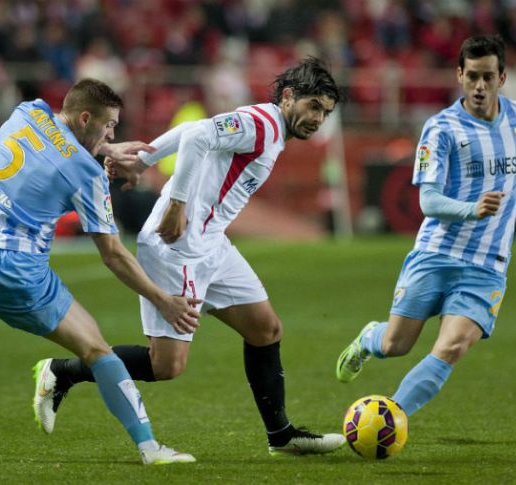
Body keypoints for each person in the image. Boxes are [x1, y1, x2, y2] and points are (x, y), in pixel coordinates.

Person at [34, 57, 347, 455]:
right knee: (166, 366)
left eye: (325, 112)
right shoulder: (263, 125)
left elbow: (193, 129)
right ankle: (61, 372)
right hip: (176, 248)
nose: (318, 119)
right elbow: (198, 136)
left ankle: (281, 435)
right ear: (288, 97)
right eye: (314, 107)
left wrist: (142, 162)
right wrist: (177, 204)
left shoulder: (267, 127)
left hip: (211, 245)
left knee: (265, 329)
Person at [0, 78, 202, 465]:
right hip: (18, 277)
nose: (113, 132)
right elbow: (114, 255)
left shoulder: (26, 113)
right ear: (86, 117)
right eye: (109, 126)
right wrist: (162, 300)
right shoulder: (85, 175)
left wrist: (105, 146)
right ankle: (150, 448)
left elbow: (60, 134)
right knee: (98, 352)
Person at [335, 35, 516, 419]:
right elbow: (428, 201)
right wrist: (472, 209)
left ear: (502, 77)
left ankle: (390, 418)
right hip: (437, 253)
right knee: (396, 344)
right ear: (459, 75)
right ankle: (367, 339)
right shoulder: (441, 128)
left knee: (452, 347)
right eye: (472, 76)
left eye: (488, 77)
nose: (479, 86)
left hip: (487, 265)